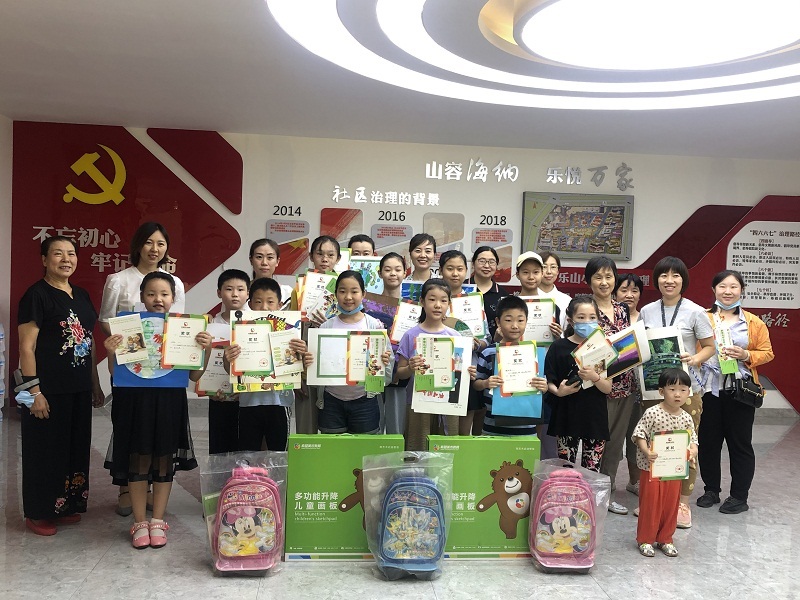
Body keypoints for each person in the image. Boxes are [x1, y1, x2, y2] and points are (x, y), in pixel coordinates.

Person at [104, 272, 212, 548]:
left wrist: (206, 349)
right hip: (135, 401)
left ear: (173, 298)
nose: (158, 299)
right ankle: (140, 522)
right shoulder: (129, 327)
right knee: (138, 460)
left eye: (164, 294)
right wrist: (111, 351)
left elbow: (195, 376)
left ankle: (157, 520)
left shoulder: (183, 331)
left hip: (169, 401)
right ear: (142, 297)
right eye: (151, 294)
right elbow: (116, 373)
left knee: (164, 460)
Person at [17, 236, 104, 536]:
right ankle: (39, 512)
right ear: (44, 260)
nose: (66, 259)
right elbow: (26, 348)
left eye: (71, 253)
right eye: (57, 254)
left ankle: (65, 505)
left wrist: (95, 384)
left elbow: (89, 342)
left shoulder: (81, 294)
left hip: (78, 388)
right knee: (45, 451)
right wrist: (34, 393)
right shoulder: (36, 295)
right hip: (47, 390)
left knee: (73, 449)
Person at [98, 222, 186, 516]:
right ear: (138, 245)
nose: (154, 249)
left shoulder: (176, 283)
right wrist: (124, 346)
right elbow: (107, 319)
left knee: (159, 434)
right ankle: (126, 487)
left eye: (160, 243)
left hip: (164, 371)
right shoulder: (118, 280)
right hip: (130, 368)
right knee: (131, 428)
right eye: (149, 242)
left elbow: (177, 324)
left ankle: (149, 489)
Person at [639, 257, 715, 528]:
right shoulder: (646, 311)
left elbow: (710, 347)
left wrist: (695, 359)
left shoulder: (695, 311)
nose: (669, 280)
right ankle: (653, 499)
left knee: (685, 446)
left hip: (686, 390)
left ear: (684, 280)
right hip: (654, 390)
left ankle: (682, 502)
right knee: (653, 445)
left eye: (675, 276)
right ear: (656, 280)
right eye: (663, 275)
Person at [697, 270, 774, 515]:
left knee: (740, 445)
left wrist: (746, 354)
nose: (727, 291)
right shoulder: (702, 318)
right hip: (708, 390)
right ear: (714, 290)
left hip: (740, 392)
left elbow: (768, 352)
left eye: (733, 287)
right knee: (708, 443)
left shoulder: (753, 322)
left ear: (742, 290)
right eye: (722, 286)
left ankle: (739, 496)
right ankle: (711, 490)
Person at [224, 278, 309, 451]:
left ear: (279, 305)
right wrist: (228, 359)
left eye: (270, 302)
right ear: (250, 304)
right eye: (258, 302)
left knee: (278, 453)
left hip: (280, 402)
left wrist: (302, 353)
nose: (264, 307)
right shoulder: (240, 331)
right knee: (248, 453)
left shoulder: (289, 331)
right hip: (249, 402)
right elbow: (230, 370)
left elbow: (300, 367)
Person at [312, 271, 392, 434]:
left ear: (363, 294)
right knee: (333, 446)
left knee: (364, 448)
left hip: (365, 401)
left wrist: (385, 362)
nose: (348, 297)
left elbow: (388, 375)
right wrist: (311, 363)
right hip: (331, 401)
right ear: (335, 294)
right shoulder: (326, 327)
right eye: (342, 291)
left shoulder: (374, 326)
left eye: (354, 291)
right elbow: (316, 374)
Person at [631, 368, 698, 558]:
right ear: (661, 391)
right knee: (650, 504)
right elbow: (639, 434)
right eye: (672, 389)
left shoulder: (686, 417)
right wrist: (647, 451)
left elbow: (693, 439)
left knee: (671, 505)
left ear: (688, 392)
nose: (677, 394)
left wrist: (693, 450)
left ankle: (666, 538)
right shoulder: (652, 413)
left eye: (683, 390)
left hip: (674, 470)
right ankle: (645, 539)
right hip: (652, 469)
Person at [586, 256, 635, 515]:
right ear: (589, 281)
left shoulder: (622, 309)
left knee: (615, 444)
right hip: (596, 387)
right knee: (595, 442)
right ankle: (589, 494)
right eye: (598, 277)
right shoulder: (585, 308)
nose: (604, 282)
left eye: (609, 276)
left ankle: (607, 492)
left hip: (625, 384)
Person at [544, 294, 612, 471]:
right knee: (565, 469)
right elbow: (549, 380)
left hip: (594, 417)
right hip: (566, 415)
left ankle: (588, 492)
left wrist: (594, 377)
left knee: (592, 470)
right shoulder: (558, 347)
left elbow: (608, 388)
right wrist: (558, 391)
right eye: (581, 317)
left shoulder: (603, 347)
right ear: (571, 321)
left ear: (598, 320)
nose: (587, 322)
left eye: (592, 317)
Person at [396, 279, 462, 450]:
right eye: (432, 299)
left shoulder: (456, 336)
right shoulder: (411, 335)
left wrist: (468, 372)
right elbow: (400, 372)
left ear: (449, 304)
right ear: (422, 302)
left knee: (446, 449)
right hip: (418, 402)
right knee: (417, 449)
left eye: (443, 300)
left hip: (448, 403)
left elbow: (460, 372)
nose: (437, 305)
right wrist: (410, 368)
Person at [474, 295, 548, 436]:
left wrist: (543, 386)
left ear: (527, 321)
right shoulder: (489, 352)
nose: (515, 326)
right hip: (492, 427)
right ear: (498, 322)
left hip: (526, 427)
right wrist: (485, 383)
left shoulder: (534, 353)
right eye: (508, 320)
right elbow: (476, 383)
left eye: (520, 320)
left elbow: (542, 386)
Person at [293, 235, 342, 434]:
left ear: (338, 259)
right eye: (320, 254)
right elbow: (291, 330)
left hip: (335, 366)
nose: (325, 259)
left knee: (336, 426)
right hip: (305, 363)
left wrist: (330, 324)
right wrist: (295, 373)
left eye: (330, 255)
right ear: (311, 256)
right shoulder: (300, 287)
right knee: (307, 425)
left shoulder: (346, 288)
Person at [439, 249, 490, 435]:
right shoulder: (434, 301)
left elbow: (487, 339)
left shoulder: (474, 302)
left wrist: (477, 344)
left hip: (469, 371)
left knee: (462, 433)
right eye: (450, 268)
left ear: (466, 271)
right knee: (440, 429)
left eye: (460, 269)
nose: (455, 273)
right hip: (440, 369)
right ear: (440, 270)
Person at [205, 269, 250, 454]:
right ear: (219, 293)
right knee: (221, 449)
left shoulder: (257, 324)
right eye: (229, 289)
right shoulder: (210, 325)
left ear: (248, 293)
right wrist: (208, 390)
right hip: (220, 397)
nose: (235, 294)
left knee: (247, 447)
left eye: (240, 289)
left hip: (249, 398)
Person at [614, 273, 645, 498]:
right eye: (624, 290)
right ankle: (608, 482)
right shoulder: (611, 319)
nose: (629, 295)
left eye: (634, 291)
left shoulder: (646, 319)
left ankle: (635, 481)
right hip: (614, 389)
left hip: (641, 389)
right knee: (613, 438)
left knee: (637, 435)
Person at [379, 252, 409, 435]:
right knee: (374, 425)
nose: (393, 274)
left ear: (405, 273)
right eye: (387, 269)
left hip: (402, 372)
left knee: (397, 429)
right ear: (380, 272)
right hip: (376, 369)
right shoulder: (369, 305)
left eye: (398, 269)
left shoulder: (412, 308)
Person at [468, 246, 508, 340]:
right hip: (465, 344)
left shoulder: (503, 295)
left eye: (491, 262)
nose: (486, 266)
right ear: (473, 264)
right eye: (482, 261)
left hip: (495, 346)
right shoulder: (462, 289)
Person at [248, 238, 292, 305]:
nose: (264, 263)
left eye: (270, 257)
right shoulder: (241, 292)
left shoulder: (287, 293)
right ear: (251, 260)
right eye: (259, 257)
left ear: (277, 261)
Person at [537, 251, 571, 332]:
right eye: (544, 267)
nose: (549, 271)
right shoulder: (527, 298)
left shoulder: (567, 300)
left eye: (553, 267)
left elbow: (568, 333)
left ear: (558, 271)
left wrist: (559, 334)